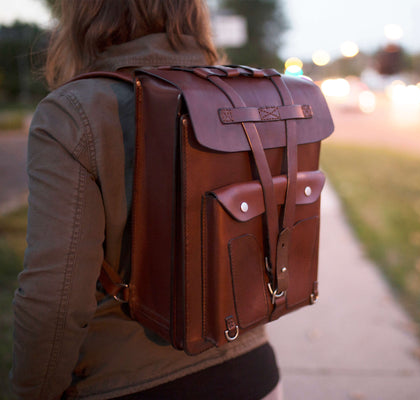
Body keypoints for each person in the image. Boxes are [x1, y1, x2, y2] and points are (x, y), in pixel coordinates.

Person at [10, 1, 281, 398]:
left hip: (127, 381)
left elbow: (55, 298)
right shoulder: (237, 94)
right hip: (254, 370)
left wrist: (32, 392)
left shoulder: (74, 112)